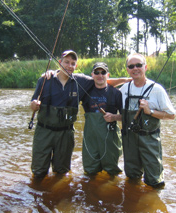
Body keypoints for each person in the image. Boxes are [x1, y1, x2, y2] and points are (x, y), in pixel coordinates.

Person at [30, 50, 129, 179]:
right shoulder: (44, 80)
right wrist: (34, 105)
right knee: (38, 172)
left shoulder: (81, 81)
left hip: (66, 133)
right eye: (66, 62)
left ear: (76, 66)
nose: (69, 66)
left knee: (62, 172)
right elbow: (33, 102)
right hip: (44, 131)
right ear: (59, 63)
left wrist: (129, 79)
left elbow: (102, 82)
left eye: (73, 63)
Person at [120, 53, 176, 188]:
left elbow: (171, 115)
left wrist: (150, 111)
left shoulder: (157, 89)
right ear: (127, 70)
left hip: (150, 139)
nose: (135, 68)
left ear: (145, 67)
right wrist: (112, 117)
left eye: (139, 65)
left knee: (154, 180)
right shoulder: (123, 89)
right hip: (129, 141)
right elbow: (122, 116)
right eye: (131, 66)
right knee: (132, 178)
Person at [81, 62, 122, 176]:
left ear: (108, 75)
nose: (100, 75)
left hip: (110, 137)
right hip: (90, 139)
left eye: (103, 72)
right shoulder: (85, 91)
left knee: (112, 172)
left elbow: (126, 117)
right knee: (90, 172)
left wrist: (114, 117)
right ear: (92, 75)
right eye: (97, 72)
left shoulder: (116, 93)